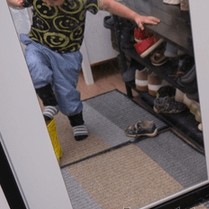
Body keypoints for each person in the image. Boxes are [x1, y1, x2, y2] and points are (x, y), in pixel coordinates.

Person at [7, 0, 160, 140]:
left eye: (53, 1)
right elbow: (15, 2)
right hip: (38, 45)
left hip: (67, 54)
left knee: (66, 92)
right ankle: (50, 102)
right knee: (34, 66)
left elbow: (108, 4)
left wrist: (135, 16)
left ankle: (76, 121)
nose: (48, 3)